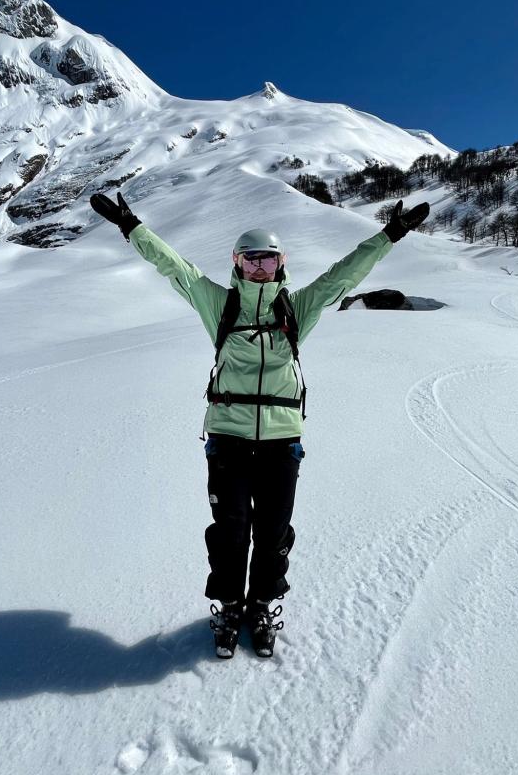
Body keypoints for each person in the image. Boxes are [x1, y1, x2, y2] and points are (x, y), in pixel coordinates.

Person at [89, 191, 430, 658]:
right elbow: (175, 268)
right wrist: (131, 226)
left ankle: (262, 605)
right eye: (250, 260)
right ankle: (230, 607)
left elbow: (346, 273)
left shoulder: (296, 309)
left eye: (267, 261)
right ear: (237, 264)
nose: (259, 268)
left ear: (280, 265)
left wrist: (390, 234)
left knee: (273, 534)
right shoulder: (221, 306)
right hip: (228, 440)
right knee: (231, 531)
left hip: (281, 442)